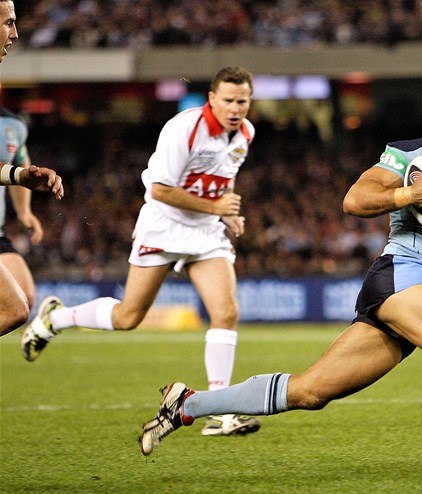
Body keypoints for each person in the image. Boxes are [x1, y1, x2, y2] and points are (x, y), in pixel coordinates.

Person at [138, 78, 422, 488]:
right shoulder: (415, 153)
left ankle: (187, 403)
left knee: (310, 392)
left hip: (417, 290)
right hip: (403, 272)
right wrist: (409, 196)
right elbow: (355, 199)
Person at [21, 66, 261, 436]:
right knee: (127, 317)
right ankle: (55, 319)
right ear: (212, 99)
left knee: (226, 312)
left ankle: (220, 412)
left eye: (242, 101)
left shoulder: (245, 133)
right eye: (228, 100)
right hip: (163, 226)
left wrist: (227, 216)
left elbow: (219, 182)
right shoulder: (184, 129)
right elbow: (161, 190)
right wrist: (217, 209)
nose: (235, 108)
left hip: (205, 232)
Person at [0, 0, 64, 337]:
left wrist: (21, 180)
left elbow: (18, 159)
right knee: (14, 307)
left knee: (18, 304)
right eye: (8, 22)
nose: (15, 33)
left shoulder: (12, 126)